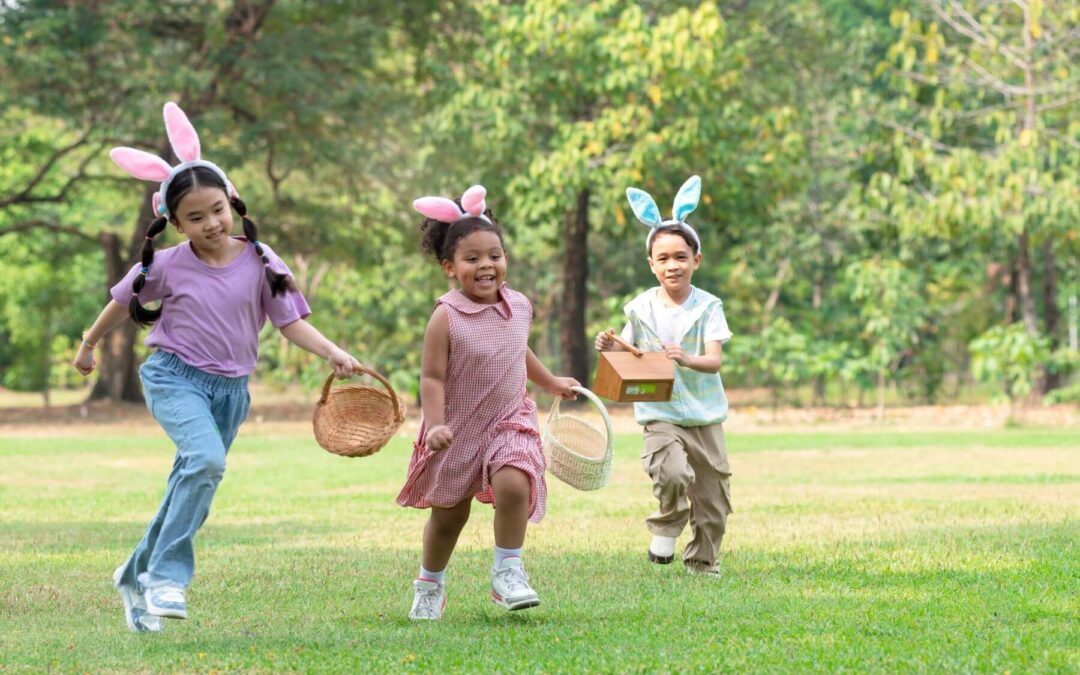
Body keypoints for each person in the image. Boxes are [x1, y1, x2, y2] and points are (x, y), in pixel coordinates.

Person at [72, 102, 361, 632]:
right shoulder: (165, 264)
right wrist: (89, 344)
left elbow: (289, 322)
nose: (210, 223)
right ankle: (166, 578)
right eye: (194, 217)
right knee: (205, 462)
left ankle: (134, 574)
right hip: (174, 377)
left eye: (217, 210)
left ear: (232, 203)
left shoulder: (262, 258)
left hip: (231, 392)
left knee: (193, 479)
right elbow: (120, 301)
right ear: (175, 223)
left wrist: (333, 352)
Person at [397, 185, 579, 620]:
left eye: (494, 255)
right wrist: (435, 425)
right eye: (472, 258)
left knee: (516, 483)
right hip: (456, 429)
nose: (486, 265)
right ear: (449, 267)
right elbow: (432, 376)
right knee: (448, 518)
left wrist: (550, 381)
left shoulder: (518, 305)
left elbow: (519, 350)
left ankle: (508, 571)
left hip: (508, 421)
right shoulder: (447, 315)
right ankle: (430, 583)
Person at [594, 175, 733, 577]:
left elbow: (714, 360)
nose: (673, 265)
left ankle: (703, 563)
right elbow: (630, 350)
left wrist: (687, 359)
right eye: (664, 258)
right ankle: (668, 524)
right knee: (670, 471)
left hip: (705, 414)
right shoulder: (640, 308)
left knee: (714, 498)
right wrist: (610, 345)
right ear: (651, 265)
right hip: (660, 410)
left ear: (696, 260)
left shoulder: (709, 307)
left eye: (681, 256)